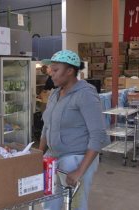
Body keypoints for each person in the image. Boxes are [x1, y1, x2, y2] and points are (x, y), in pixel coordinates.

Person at [39, 50, 109, 210]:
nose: (51, 74)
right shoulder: (55, 94)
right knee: (49, 202)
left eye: (55, 70)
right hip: (53, 158)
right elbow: (46, 125)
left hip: (77, 158)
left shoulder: (85, 95)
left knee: (75, 204)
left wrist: (79, 171)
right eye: (51, 69)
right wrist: (38, 154)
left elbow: (97, 135)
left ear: (70, 71)